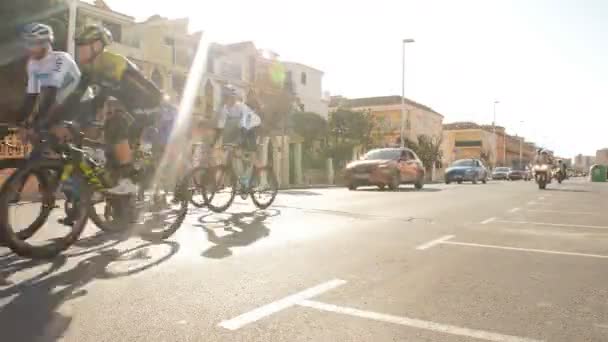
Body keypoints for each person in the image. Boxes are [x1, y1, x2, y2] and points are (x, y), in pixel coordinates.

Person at [74, 25, 164, 195]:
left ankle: (129, 180)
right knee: (108, 145)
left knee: (115, 125)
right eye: (78, 46)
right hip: (131, 107)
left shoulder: (112, 62)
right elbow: (75, 99)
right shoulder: (88, 69)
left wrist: (88, 117)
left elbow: (103, 96)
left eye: (83, 46)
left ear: (97, 47)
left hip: (150, 105)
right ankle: (121, 186)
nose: (79, 51)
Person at [16, 23, 85, 148]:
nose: (28, 48)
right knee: (36, 129)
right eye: (27, 43)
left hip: (81, 100)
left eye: (32, 44)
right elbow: (31, 96)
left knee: (45, 129)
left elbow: (50, 96)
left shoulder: (61, 59)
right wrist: (21, 122)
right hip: (59, 101)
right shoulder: (32, 63)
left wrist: (34, 125)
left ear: (45, 43)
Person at [214, 85, 262, 185]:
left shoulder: (241, 107)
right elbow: (221, 127)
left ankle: (262, 178)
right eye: (226, 98)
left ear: (234, 98)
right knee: (233, 154)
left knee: (250, 155)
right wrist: (214, 142)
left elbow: (245, 126)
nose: (228, 100)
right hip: (237, 131)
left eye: (231, 97)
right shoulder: (225, 109)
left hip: (250, 128)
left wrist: (238, 141)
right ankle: (241, 181)